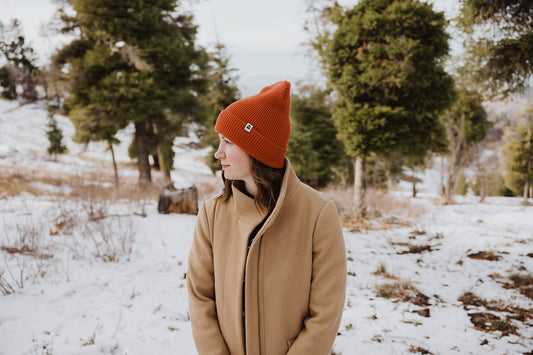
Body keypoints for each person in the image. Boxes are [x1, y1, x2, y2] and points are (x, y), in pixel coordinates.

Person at [187, 80, 346, 355]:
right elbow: (201, 296)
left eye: (228, 141)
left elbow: (326, 311)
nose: (218, 152)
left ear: (256, 149)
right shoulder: (212, 214)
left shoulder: (318, 214)